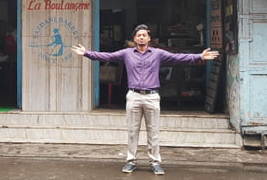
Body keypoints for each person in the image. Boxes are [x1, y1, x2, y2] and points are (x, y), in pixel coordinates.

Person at [72, 24, 219, 175]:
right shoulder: (126, 53)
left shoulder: (158, 54)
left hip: (152, 97)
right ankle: (131, 161)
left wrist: (199, 57)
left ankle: (155, 162)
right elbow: (107, 56)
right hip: (134, 96)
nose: (141, 37)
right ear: (134, 38)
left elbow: (178, 58)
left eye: (144, 35)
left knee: (153, 131)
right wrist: (86, 53)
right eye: (138, 35)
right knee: (132, 131)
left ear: (149, 38)